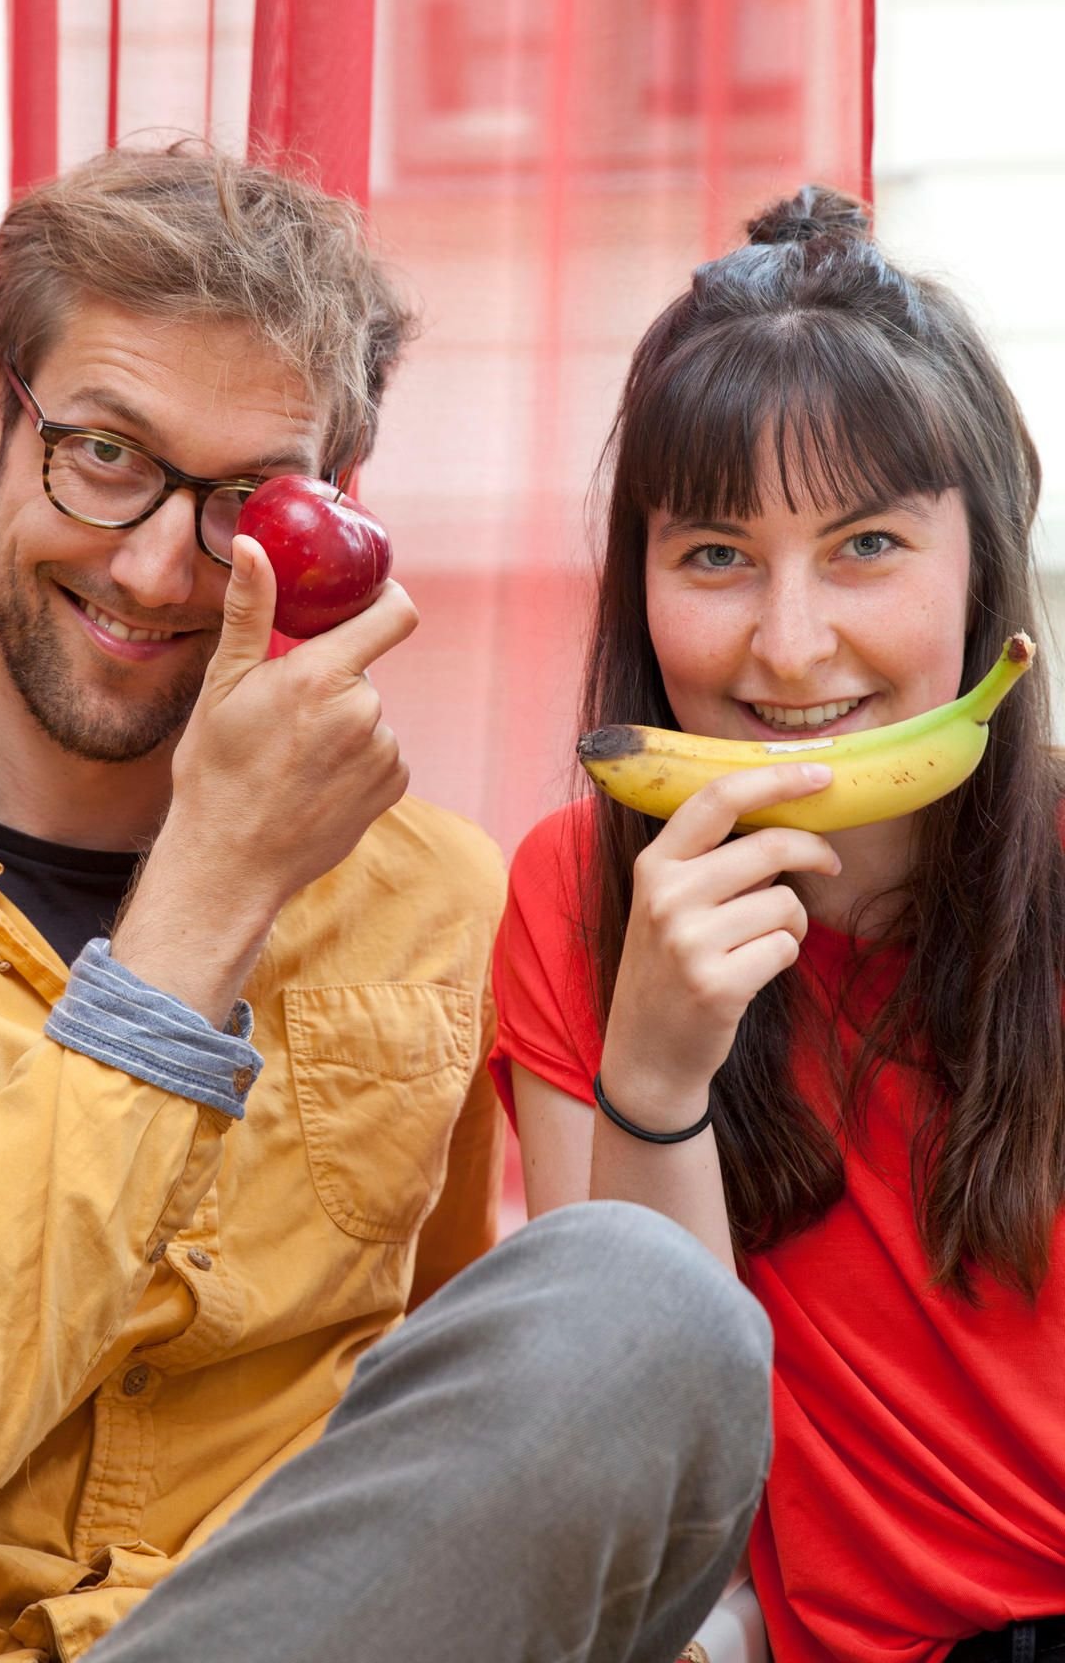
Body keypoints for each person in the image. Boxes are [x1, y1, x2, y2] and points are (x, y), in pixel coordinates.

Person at [0, 142, 771, 1663]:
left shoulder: (431, 894)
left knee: (637, 1307)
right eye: (104, 452)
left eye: (247, 498)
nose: (161, 566)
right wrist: (209, 892)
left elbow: (454, 1440)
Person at [493, 186, 1065, 1663]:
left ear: (983, 559)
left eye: (868, 546)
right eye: (717, 556)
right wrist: (659, 1083)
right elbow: (640, 1453)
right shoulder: (578, 894)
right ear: (642, 582)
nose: (791, 644)